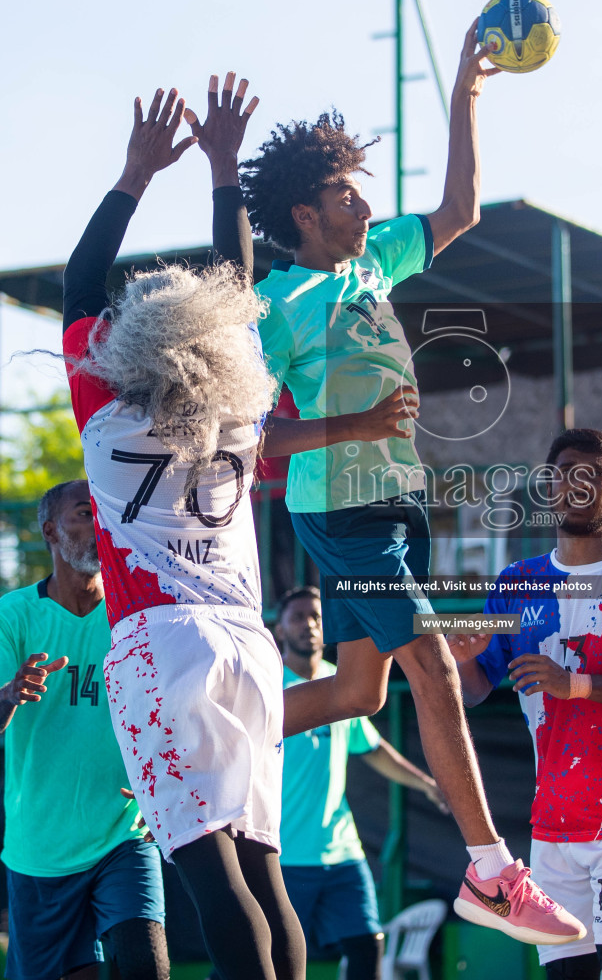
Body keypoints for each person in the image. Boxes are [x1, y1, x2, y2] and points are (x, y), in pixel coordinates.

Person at [218, 19, 582, 946]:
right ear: (305, 212)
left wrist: (465, 91)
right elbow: (264, 440)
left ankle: (202, 751)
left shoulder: (375, 264)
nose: (363, 206)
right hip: (340, 513)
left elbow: (460, 207)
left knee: (356, 696)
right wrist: (362, 425)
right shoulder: (277, 306)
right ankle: (494, 874)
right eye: (346, 194)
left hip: (397, 504)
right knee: (432, 665)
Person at [61, 75, 412, 980]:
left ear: (126, 345)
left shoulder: (105, 415)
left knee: (214, 892)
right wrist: (222, 164)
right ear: (216, 340)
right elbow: (238, 281)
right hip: (249, 653)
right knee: (267, 881)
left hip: (160, 648)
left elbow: (78, 280)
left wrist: (136, 173)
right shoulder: (241, 410)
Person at [452, 430, 602, 980]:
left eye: (595, 474)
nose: (578, 484)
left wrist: (578, 684)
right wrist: (464, 660)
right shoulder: (517, 582)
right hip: (553, 822)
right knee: (566, 974)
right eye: (565, 472)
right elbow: (478, 689)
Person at [0, 479, 168, 980]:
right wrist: (9, 694)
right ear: (51, 531)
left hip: (124, 832)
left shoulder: (137, 611)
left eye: (104, 511)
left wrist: (166, 786)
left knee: (146, 964)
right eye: (85, 513)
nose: (100, 523)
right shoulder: (10, 616)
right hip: (41, 849)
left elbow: (171, 713)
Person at [274, 586, 448, 980]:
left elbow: (372, 748)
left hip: (342, 852)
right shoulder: (267, 686)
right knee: (272, 960)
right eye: (298, 617)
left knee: (367, 946)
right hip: (282, 857)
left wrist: (427, 784)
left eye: (316, 616)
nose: (310, 625)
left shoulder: (344, 681)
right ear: (280, 630)